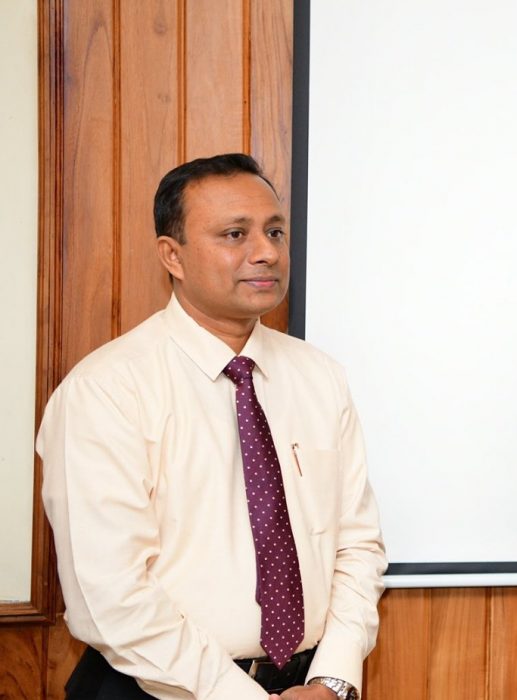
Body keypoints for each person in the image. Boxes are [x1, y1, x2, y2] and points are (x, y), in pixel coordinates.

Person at [37, 154, 386, 700]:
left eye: (275, 231)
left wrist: (332, 679)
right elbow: (111, 594)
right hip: (154, 689)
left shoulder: (320, 377)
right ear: (171, 255)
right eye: (235, 234)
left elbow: (357, 545)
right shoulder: (105, 390)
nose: (267, 252)